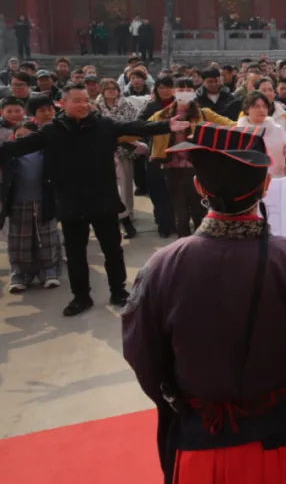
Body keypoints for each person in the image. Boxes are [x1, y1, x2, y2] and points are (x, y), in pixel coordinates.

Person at [121, 124, 286, 484]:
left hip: (200, 450)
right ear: (265, 186)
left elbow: (143, 355)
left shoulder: (161, 266)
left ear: (199, 187)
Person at [0, 83, 189, 315]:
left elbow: (134, 126)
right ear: (63, 103)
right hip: (71, 202)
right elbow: (19, 146)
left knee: (113, 249)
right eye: (76, 100)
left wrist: (166, 125)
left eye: (86, 100)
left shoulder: (103, 125)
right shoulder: (51, 131)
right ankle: (81, 297)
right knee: (76, 253)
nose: (83, 105)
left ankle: (118, 291)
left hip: (103, 200)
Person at [147, 78, 235, 237]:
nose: (185, 93)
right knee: (180, 214)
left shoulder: (204, 113)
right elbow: (143, 128)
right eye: (181, 89)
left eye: (189, 89)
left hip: (198, 168)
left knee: (199, 210)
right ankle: (184, 243)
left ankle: (201, 243)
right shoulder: (162, 115)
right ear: (174, 92)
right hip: (172, 170)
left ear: (194, 92)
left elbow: (231, 125)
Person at [1, 121, 63, 292]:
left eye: (27, 136)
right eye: (19, 136)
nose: (22, 141)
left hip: (44, 202)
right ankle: (20, 274)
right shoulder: (9, 156)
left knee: (47, 239)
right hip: (18, 203)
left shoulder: (47, 154)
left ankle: (49, 271)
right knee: (19, 241)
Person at [95, 78, 144, 239]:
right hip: (103, 151)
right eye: (107, 88)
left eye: (114, 88)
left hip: (124, 148)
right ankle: (112, 215)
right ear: (102, 91)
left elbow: (135, 124)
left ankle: (128, 213)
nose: (111, 91)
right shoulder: (95, 106)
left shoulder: (127, 104)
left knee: (126, 185)